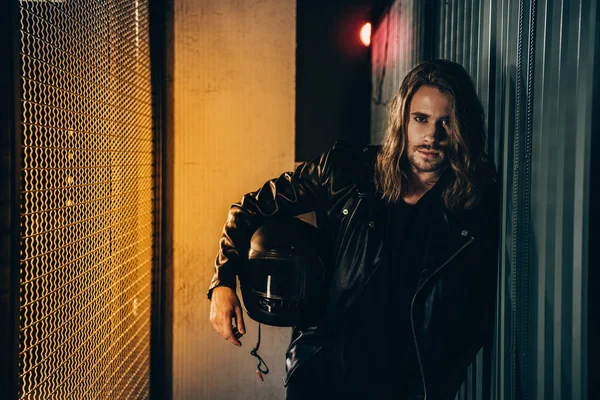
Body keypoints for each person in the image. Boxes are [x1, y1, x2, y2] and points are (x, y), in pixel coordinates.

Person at [208, 59, 500, 400]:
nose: (432, 136)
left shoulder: (473, 206)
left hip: (410, 388)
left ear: (461, 128)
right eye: (421, 119)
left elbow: (478, 314)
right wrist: (222, 283)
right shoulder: (345, 170)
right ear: (403, 119)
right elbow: (249, 207)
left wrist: (445, 377)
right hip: (324, 378)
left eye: (445, 123)